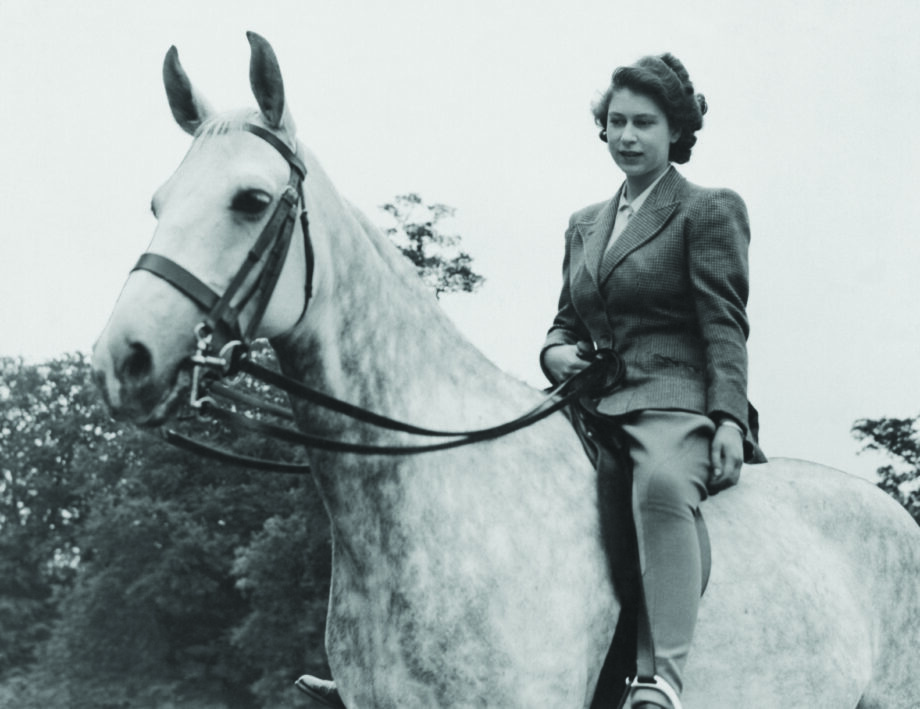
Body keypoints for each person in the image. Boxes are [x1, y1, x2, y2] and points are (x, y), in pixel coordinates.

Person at [540, 53, 764, 708]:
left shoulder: (707, 210)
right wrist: (555, 354)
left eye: (644, 122)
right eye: (616, 122)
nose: (628, 135)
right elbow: (562, 324)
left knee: (663, 485)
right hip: (589, 400)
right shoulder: (584, 223)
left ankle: (660, 674)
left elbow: (724, 325)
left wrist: (727, 416)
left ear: (675, 132)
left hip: (676, 396)